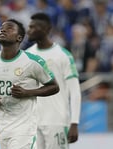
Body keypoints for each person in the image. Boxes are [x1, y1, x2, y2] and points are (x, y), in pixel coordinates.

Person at [0, 19, 60, 149]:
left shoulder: (32, 61)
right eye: (1, 28)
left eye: (10, 28)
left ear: (19, 38)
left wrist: (28, 92)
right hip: (2, 127)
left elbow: (54, 87)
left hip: (24, 127)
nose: (3, 30)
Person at [26, 13, 81, 149]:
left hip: (56, 120)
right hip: (32, 122)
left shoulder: (63, 55)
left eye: (33, 27)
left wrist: (74, 122)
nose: (29, 30)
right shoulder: (27, 55)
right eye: (29, 27)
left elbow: (74, 91)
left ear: (46, 29)